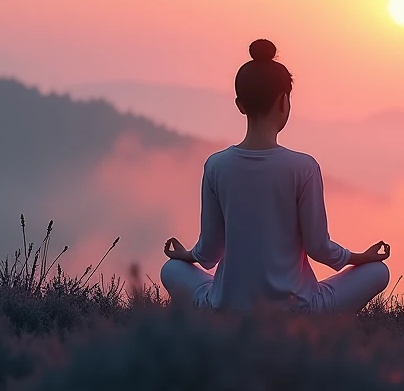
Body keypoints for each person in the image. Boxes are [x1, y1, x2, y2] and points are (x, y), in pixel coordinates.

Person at [161, 39, 391, 314]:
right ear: (284, 101)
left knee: (172, 269)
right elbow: (319, 248)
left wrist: (185, 256)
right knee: (378, 272)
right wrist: (359, 257)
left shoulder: (216, 165)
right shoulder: (303, 167)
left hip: (225, 308)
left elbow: (209, 253)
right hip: (300, 311)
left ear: (240, 105)